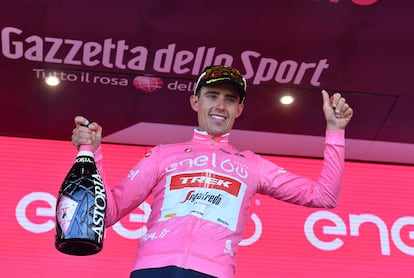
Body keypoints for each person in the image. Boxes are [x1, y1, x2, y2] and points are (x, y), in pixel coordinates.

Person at [72, 65, 353, 278]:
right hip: (152, 270)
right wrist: (91, 152)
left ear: (239, 108)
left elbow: (324, 196)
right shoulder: (162, 155)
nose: (221, 106)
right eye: (212, 96)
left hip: (212, 273)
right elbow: (105, 214)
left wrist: (336, 132)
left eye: (230, 99)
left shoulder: (252, 164)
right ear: (196, 102)